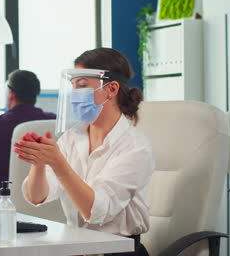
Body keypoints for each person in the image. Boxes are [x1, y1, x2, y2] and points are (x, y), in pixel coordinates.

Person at [14, 48, 154, 256]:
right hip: (78, 248)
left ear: (111, 89)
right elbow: (36, 197)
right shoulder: (72, 138)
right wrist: (40, 163)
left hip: (119, 251)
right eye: (73, 87)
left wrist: (58, 163)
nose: (75, 94)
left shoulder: (135, 147)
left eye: (82, 86)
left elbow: (97, 211)